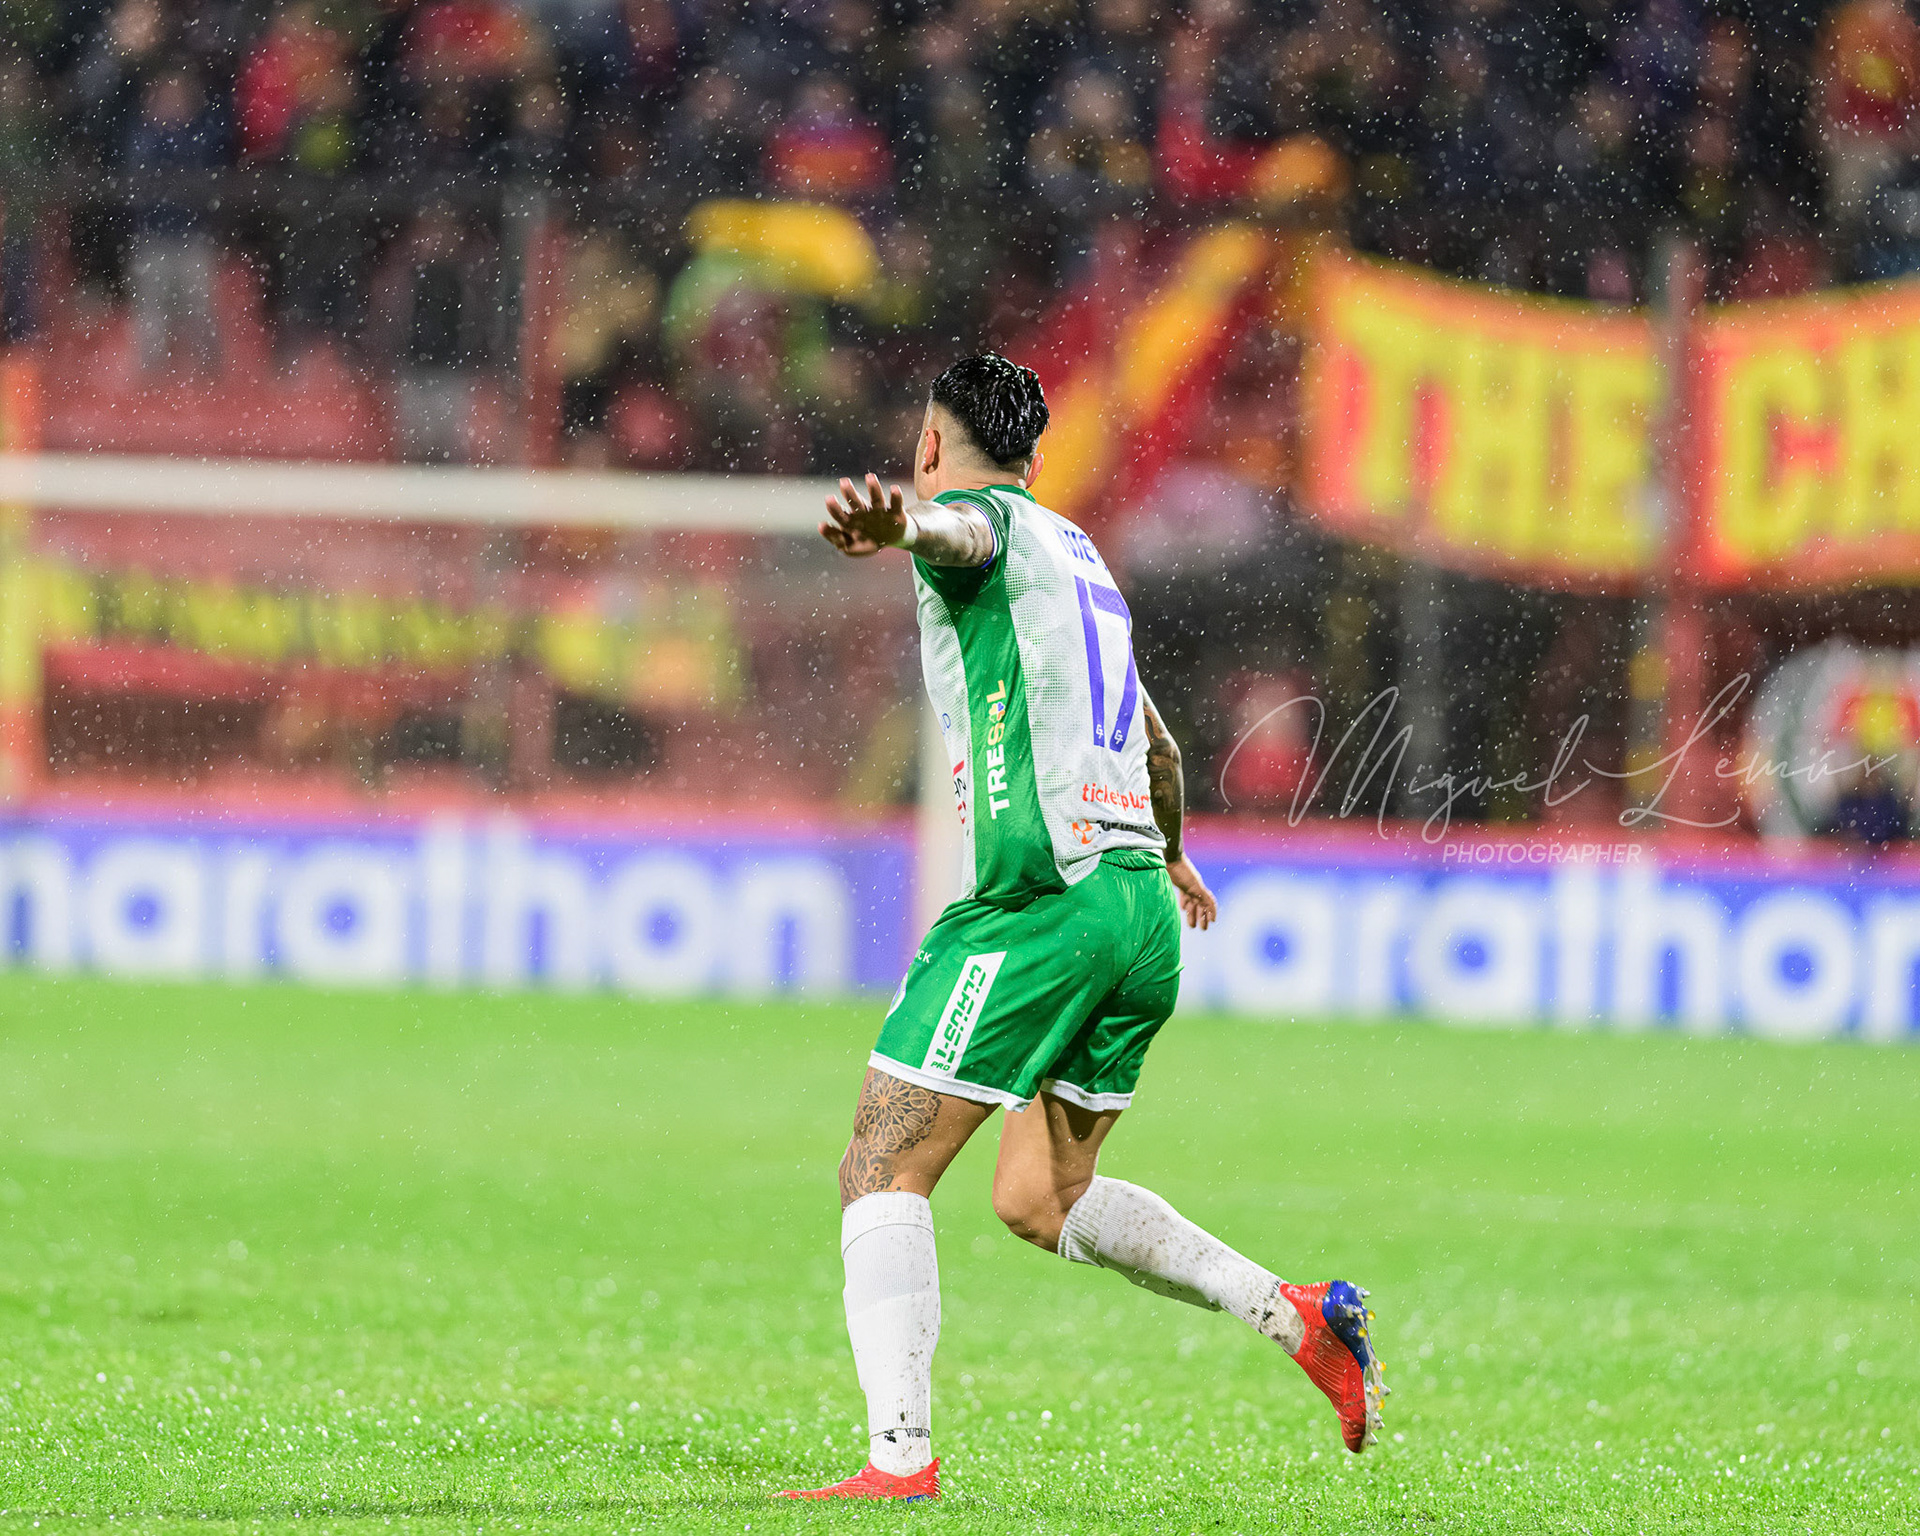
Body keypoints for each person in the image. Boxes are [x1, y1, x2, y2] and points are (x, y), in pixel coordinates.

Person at [783, 354, 1386, 1503]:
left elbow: (959, 536)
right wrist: (1165, 851)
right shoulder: (1084, 556)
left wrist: (901, 527)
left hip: (1041, 903)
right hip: (1138, 908)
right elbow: (1157, 745)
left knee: (881, 1165)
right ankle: (1295, 1314)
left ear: (928, 445)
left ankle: (898, 1462)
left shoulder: (977, 523)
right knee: (1038, 1199)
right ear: (1040, 454)